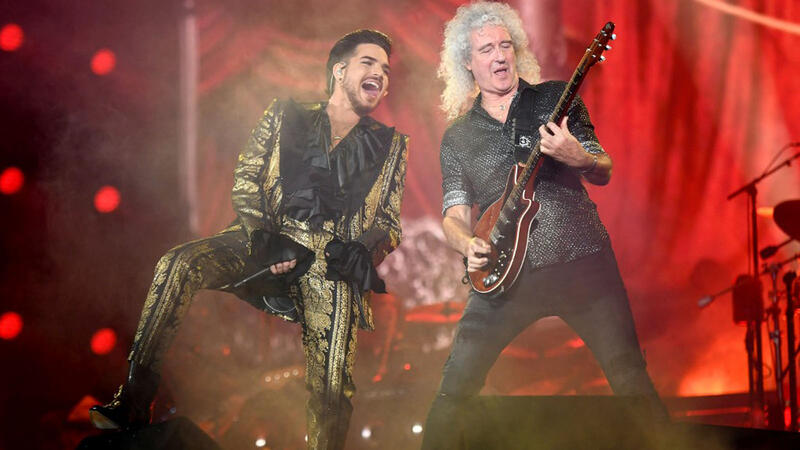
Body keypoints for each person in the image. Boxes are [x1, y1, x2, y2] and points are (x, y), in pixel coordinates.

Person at [89, 29, 408, 450]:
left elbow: (387, 222)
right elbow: (247, 180)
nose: (380, 74)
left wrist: (361, 251)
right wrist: (265, 238)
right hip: (265, 238)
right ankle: (133, 402)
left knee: (332, 379)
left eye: (386, 69)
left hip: (329, 260)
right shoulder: (284, 115)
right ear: (339, 70)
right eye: (369, 63)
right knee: (177, 263)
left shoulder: (391, 145)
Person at [421, 2, 666, 447]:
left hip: (582, 263)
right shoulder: (458, 137)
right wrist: (466, 244)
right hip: (503, 275)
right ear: (467, 63)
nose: (500, 56)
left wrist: (579, 157)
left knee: (630, 375)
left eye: (505, 46)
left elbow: (603, 168)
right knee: (454, 389)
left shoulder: (555, 98)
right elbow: (454, 214)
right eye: (486, 50)